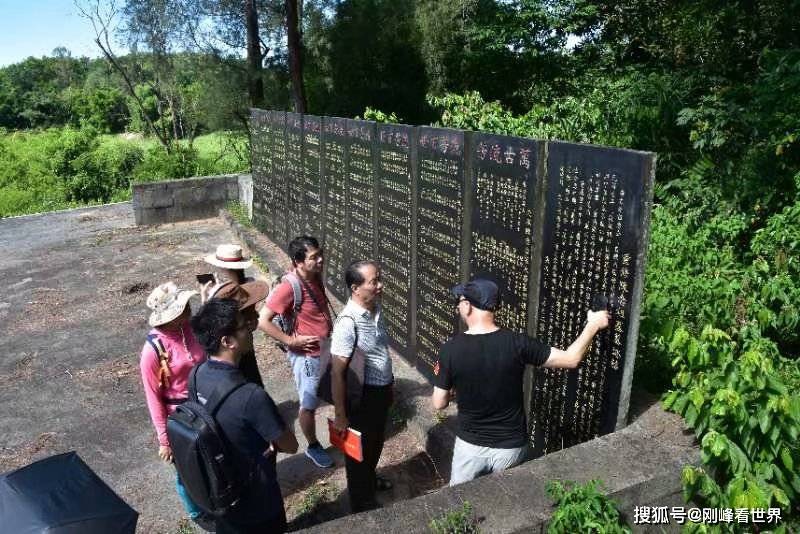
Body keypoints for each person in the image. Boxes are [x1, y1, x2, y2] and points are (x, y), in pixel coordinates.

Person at [431, 277, 610, 486]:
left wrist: (455, 389)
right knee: (507, 503)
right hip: (511, 447)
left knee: (460, 506)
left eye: (460, 301)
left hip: (470, 446)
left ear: (468, 307)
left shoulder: (450, 350)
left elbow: (438, 403)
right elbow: (571, 359)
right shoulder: (517, 343)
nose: (458, 307)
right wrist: (593, 325)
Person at [190, 281, 298, 534]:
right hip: (256, 502)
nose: (251, 329)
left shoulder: (196, 375)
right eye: (244, 326)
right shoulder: (251, 396)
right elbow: (290, 446)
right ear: (228, 341)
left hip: (221, 492)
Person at [139, 282, 213, 530]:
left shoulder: (190, 329)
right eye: (183, 308)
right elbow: (153, 396)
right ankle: (196, 512)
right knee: (185, 468)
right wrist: (164, 438)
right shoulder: (153, 350)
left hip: (204, 404)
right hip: (179, 415)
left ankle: (213, 498)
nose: (189, 309)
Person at [258, 236, 334, 469]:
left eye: (320, 254)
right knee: (308, 403)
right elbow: (263, 320)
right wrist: (291, 341)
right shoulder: (289, 287)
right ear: (298, 261)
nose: (321, 260)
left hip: (325, 349)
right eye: (314, 257)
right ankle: (312, 446)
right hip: (308, 356)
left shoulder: (314, 275)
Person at [330, 260, 394, 512]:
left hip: (380, 392)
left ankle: (369, 480)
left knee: (376, 441)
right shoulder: (348, 323)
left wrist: (390, 385)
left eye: (379, 279)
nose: (380, 285)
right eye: (374, 281)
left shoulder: (376, 310)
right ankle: (362, 502)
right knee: (358, 453)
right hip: (362, 398)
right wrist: (340, 414)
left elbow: (381, 352)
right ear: (356, 288)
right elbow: (337, 372)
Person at [202, 243, 265, 388]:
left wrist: (208, 301)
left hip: (232, 344)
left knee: (242, 379)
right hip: (243, 341)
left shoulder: (238, 290)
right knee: (250, 377)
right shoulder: (248, 284)